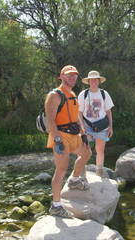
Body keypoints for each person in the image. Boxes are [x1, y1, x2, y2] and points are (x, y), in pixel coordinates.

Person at [45, 65, 92, 218]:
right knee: (61, 170)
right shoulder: (55, 95)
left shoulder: (72, 93)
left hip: (74, 134)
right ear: (61, 76)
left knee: (86, 153)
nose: (72, 78)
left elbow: (76, 115)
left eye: (74, 75)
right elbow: (50, 120)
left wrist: (83, 132)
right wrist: (57, 140)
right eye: (69, 75)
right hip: (61, 135)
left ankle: (74, 180)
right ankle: (56, 206)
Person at [78, 70, 114, 177]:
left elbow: (108, 111)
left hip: (102, 126)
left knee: (100, 150)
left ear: (99, 81)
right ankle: (81, 174)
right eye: (91, 80)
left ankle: (99, 172)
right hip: (86, 126)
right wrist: (82, 127)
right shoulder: (83, 94)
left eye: (95, 79)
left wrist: (111, 127)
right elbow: (79, 112)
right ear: (88, 81)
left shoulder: (104, 94)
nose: (93, 81)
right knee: (83, 150)